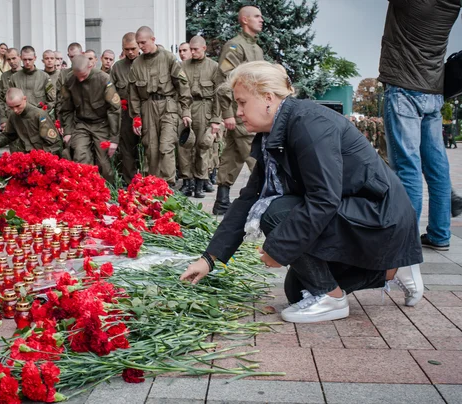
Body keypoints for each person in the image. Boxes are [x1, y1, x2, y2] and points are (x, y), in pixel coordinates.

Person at [180, 61, 424, 323]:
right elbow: (249, 199)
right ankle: (391, 269)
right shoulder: (273, 132)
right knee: (296, 293)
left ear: (267, 98)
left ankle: (332, 300)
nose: (238, 112)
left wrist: (279, 247)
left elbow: (323, 198)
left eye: (242, 102)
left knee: (275, 214)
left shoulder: (308, 123)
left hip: (378, 215)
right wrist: (209, 258)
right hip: (354, 212)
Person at [379, 0, 461, 252]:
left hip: (404, 90)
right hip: (434, 92)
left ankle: (405, 241)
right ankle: (439, 235)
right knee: (438, 168)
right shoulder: (452, 4)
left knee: (407, 168)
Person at [212, 6, 265, 215]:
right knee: (255, 157)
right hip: (241, 112)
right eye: (257, 16)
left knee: (232, 155)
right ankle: (260, 205)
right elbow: (223, 80)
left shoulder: (256, 49)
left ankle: (222, 203)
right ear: (244, 20)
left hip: (250, 109)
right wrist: (228, 114)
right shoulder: (235, 46)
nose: (262, 20)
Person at [128, 26, 192, 186]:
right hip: (147, 107)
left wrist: (185, 111)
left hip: (168, 105)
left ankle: (168, 185)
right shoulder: (136, 63)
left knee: (166, 146)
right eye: (138, 43)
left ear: (153, 39)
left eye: (143, 42)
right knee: (151, 148)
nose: (141, 46)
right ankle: (154, 186)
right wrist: (136, 117)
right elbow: (133, 94)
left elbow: (182, 85)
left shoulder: (168, 58)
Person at [59, 55, 121, 183]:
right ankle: (85, 189)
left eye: (84, 75)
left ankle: (109, 191)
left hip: (102, 123)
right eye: (78, 76)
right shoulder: (70, 80)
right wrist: (68, 131)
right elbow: (66, 109)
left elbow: (114, 109)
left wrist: (114, 139)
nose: (80, 80)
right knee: (80, 156)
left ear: (90, 66)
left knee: (104, 162)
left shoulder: (103, 79)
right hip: (81, 124)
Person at [178, 35, 219, 198]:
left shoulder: (214, 67)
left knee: (203, 146)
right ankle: (187, 182)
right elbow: (182, 91)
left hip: (205, 107)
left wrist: (216, 120)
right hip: (187, 107)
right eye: (191, 49)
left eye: (195, 49)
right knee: (185, 147)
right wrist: (185, 112)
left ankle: (201, 182)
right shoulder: (183, 66)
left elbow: (218, 95)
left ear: (204, 48)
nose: (192, 52)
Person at [0, 88, 62, 156]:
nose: (15, 110)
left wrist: (43, 157)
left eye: (18, 106)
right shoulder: (13, 116)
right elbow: (9, 135)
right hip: (25, 157)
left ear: (24, 99)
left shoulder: (39, 115)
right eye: (11, 107)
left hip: (42, 157)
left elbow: (53, 143)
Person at [110, 32, 141, 185]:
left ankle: (148, 182)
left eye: (133, 48)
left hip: (144, 113)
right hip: (125, 113)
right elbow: (111, 92)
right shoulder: (117, 67)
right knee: (127, 149)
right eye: (126, 49)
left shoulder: (144, 63)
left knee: (148, 148)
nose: (130, 52)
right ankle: (130, 182)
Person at [9, 46, 56, 110]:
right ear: (20, 58)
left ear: (35, 58)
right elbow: (9, 99)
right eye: (25, 59)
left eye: (30, 59)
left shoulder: (44, 77)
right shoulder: (14, 78)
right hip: (20, 116)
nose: (27, 62)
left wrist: (44, 111)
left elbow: (52, 99)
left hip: (39, 116)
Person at [0, 48, 23, 152]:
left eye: (14, 58)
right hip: (11, 119)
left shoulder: (26, 73)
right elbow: (0, 99)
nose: (11, 61)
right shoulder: (5, 76)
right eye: (9, 59)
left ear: (19, 56)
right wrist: (3, 119)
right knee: (15, 152)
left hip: (27, 119)